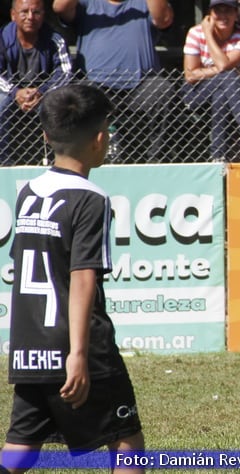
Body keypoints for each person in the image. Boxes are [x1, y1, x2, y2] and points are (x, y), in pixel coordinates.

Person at [0, 84, 144, 473]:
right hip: (78, 347)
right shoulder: (90, 199)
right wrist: (77, 355)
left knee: (20, 447)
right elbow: (83, 280)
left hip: (30, 346)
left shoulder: (29, 192)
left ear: (46, 135)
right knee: (126, 440)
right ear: (101, 139)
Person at [53, 0, 174, 163]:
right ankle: (87, 159)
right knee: (81, 95)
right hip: (96, 85)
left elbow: (164, 19)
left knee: (162, 89)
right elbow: (60, 7)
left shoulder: (144, 4)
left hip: (141, 85)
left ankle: (157, 162)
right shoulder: (88, 4)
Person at [182, 0, 240, 162]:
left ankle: (218, 158)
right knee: (229, 75)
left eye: (228, 11)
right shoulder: (196, 33)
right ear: (210, 14)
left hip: (227, 94)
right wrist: (208, 33)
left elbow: (216, 67)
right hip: (195, 95)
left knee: (221, 94)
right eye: (218, 11)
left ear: (236, 13)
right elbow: (190, 75)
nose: (223, 16)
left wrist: (211, 69)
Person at [0, 0, 72, 166]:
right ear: (13, 15)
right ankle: (3, 162)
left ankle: (60, 161)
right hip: (10, 92)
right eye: (24, 12)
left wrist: (41, 92)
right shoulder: (2, 38)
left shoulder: (55, 38)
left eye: (36, 12)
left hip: (43, 93)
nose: (30, 17)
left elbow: (65, 72)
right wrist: (15, 92)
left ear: (43, 15)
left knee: (58, 105)